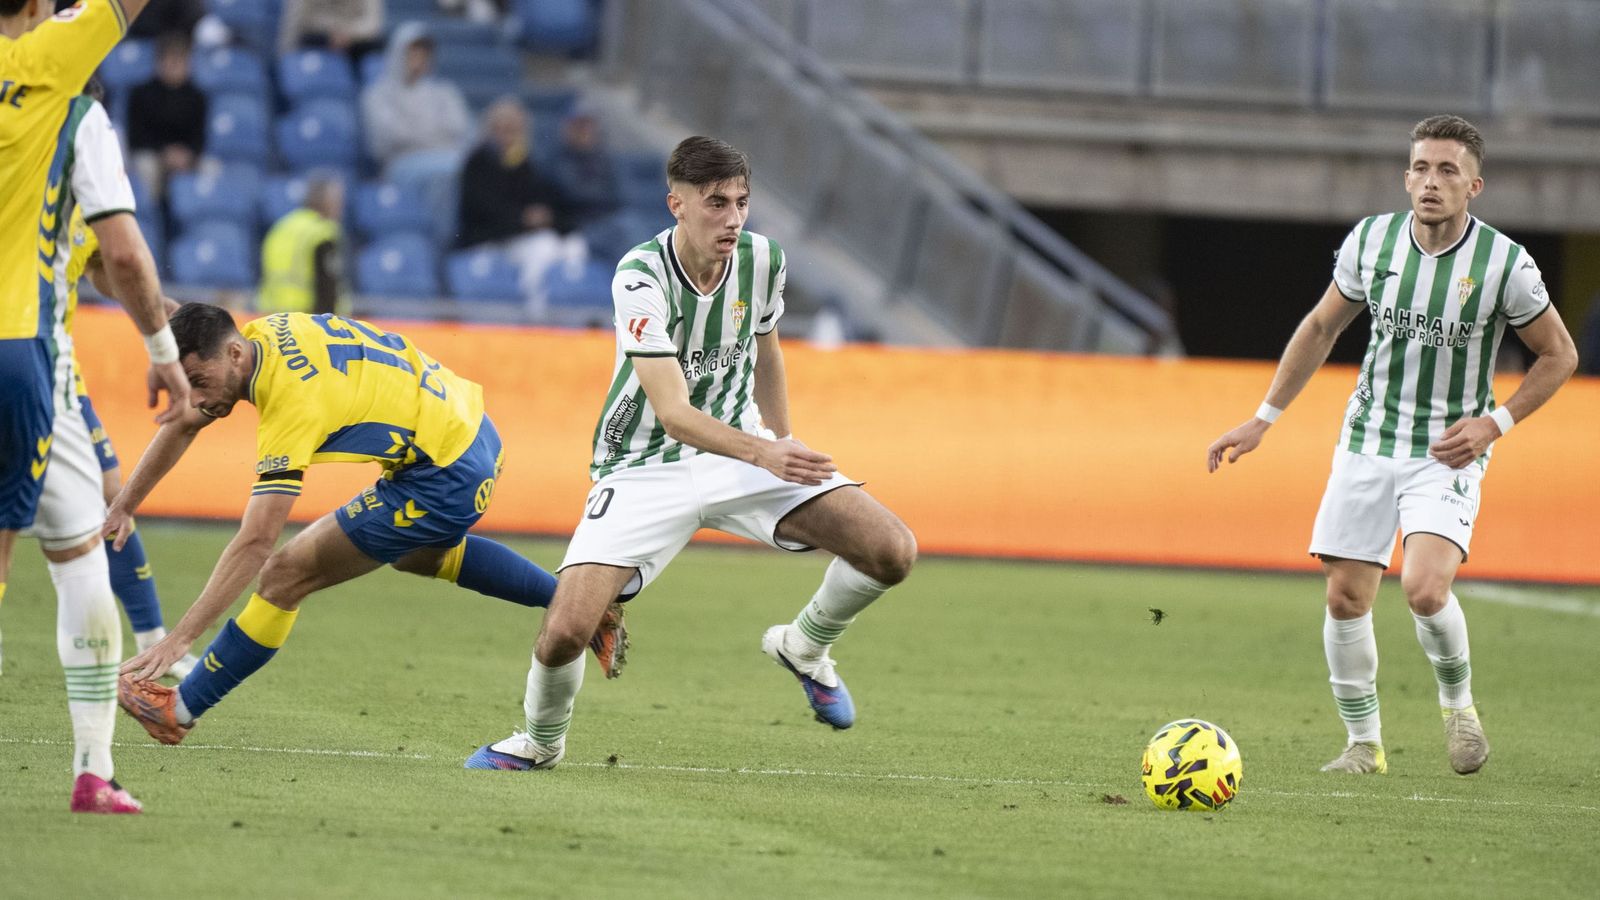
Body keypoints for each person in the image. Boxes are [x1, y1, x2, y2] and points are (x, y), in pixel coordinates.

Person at [466, 136, 917, 771]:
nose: (733, 218)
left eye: (742, 201)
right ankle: (541, 744)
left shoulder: (763, 260)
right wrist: (765, 454)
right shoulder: (640, 275)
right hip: (643, 464)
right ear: (676, 204)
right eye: (715, 203)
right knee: (565, 631)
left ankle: (805, 645)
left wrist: (781, 441)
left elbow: (767, 351)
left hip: (743, 449)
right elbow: (674, 415)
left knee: (892, 551)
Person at [1206, 115, 1578, 777]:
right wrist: (1263, 418)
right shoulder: (1372, 242)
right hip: (1369, 440)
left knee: (1426, 589)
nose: (1430, 182)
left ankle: (1458, 706)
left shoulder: (1505, 265)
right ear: (1406, 175)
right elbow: (1321, 326)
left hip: (1448, 450)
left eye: (1447, 171)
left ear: (1474, 185)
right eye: (1420, 168)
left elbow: (1559, 354)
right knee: (1346, 598)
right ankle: (1363, 746)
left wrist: (1496, 423)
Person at [111, 304, 628, 746]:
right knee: (413, 552)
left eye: (198, 383)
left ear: (233, 356)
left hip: (444, 472)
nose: (197, 398)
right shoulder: (262, 332)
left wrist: (179, 639)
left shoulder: (290, 400)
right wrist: (124, 505)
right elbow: (186, 417)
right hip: (472, 433)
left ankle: (179, 710)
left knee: (282, 575)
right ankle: (585, 611)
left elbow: (255, 540)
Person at [1, 0, 186, 815]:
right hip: (23, 356)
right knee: (75, 563)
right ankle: (92, 768)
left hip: (44, 377)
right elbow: (118, 252)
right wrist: (163, 350)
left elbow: (104, 268)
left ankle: (97, 766)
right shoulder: (68, 109)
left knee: (91, 533)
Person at [457, 97, 586, 318]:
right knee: (544, 247)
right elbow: (480, 209)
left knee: (574, 244)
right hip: (490, 239)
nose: (509, 135)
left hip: (524, 236)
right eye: (503, 129)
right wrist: (523, 218)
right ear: (491, 129)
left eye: (515, 129)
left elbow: (552, 202)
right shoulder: (478, 162)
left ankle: (571, 311)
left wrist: (545, 217)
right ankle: (534, 315)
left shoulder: (528, 162)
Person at [125, 31, 205, 203]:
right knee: (146, 167)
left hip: (186, 156)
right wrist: (163, 152)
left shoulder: (197, 97)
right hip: (152, 154)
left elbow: (200, 136)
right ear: (159, 62)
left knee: (212, 169)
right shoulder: (142, 94)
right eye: (171, 60)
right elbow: (137, 136)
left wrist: (188, 155)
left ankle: (201, 218)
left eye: (180, 61)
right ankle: (147, 217)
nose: (175, 66)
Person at [257, 170, 348, 316]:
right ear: (326, 200)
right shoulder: (322, 231)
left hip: (271, 318)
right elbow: (327, 287)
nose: (341, 206)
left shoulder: (281, 227)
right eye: (338, 199)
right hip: (306, 318)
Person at [547, 109, 619, 228]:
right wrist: (601, 193)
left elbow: (618, 194)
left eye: (588, 127)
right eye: (579, 127)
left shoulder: (604, 159)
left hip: (607, 220)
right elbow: (574, 193)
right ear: (569, 130)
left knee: (629, 223)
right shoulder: (558, 160)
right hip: (576, 223)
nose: (585, 132)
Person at [277, 0, 383, 66]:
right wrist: (333, 31)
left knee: (376, 48)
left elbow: (373, 24)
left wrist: (347, 34)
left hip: (356, 41)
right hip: (320, 39)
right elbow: (303, 19)